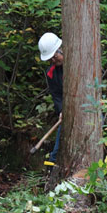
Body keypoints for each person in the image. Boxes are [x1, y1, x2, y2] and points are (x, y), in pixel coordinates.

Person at [38, 32, 63, 162]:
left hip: (90, 106)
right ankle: (53, 169)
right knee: (58, 148)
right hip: (68, 111)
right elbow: (57, 95)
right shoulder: (51, 73)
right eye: (50, 59)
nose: (53, 61)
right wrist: (61, 110)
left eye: (55, 56)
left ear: (61, 49)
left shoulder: (79, 62)